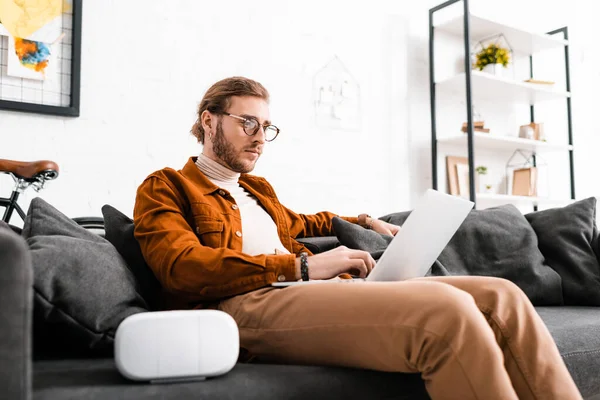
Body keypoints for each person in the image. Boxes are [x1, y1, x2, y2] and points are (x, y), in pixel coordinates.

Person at [133, 76, 582, 400]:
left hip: (299, 292)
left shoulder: (256, 190)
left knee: (502, 295)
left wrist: (369, 222)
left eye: (265, 128)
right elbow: (181, 269)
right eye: (247, 123)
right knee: (446, 311)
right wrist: (303, 267)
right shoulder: (166, 186)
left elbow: (308, 222)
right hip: (240, 307)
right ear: (209, 121)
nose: (260, 138)